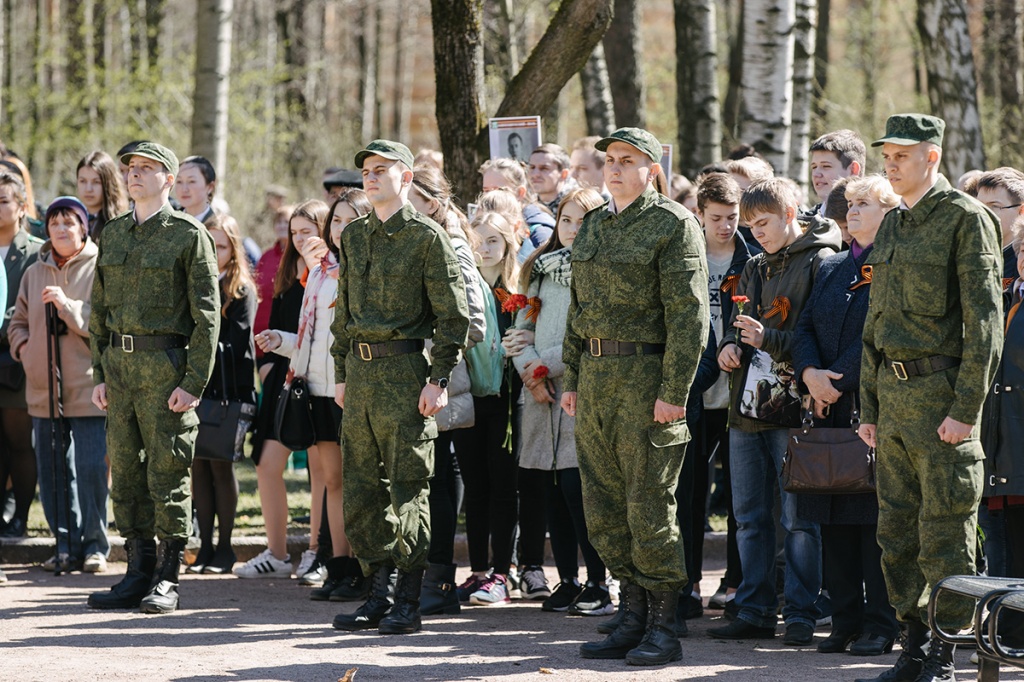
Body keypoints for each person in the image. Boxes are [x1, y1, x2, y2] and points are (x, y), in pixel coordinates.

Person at [856, 114, 1004, 682]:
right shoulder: (892, 225)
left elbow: (984, 324)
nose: (890, 165)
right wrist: (868, 410)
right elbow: (876, 322)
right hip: (892, 404)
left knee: (944, 534)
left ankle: (943, 653)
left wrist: (964, 410)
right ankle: (913, 645)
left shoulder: (965, 219)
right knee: (896, 533)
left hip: (941, 397)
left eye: (901, 155)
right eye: (886, 155)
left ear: (932, 158)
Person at [561, 127, 709, 666]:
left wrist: (674, 393)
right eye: (610, 160)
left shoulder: (671, 224)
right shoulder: (596, 225)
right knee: (603, 506)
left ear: (652, 168)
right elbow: (579, 311)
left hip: (647, 380)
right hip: (598, 380)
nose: (615, 168)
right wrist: (573, 377)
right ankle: (632, 614)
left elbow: (689, 319)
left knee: (650, 506)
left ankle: (664, 624)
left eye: (628, 160)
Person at [330, 139, 469, 635]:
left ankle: (409, 600)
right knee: (363, 491)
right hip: (362, 377)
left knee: (408, 488)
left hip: (406, 373)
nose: (370, 177)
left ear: (406, 178)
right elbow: (343, 314)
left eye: (382, 170)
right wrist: (342, 373)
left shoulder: (427, 238)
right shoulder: (355, 237)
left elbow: (455, 318)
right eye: (366, 170)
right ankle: (378, 593)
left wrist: (438, 379)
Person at [87, 142, 220, 614]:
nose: (135, 175)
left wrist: (194, 382)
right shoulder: (115, 233)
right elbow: (99, 309)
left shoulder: (188, 235)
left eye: (146, 168)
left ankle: (167, 577)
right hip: (120, 371)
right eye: (130, 168)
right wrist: (99, 372)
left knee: (168, 474)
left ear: (168, 178)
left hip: (166, 369)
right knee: (124, 474)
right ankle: (136, 570)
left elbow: (208, 316)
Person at [710, 177, 840, 645]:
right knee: (748, 516)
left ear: (790, 213)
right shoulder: (756, 265)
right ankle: (754, 608)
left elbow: (819, 339)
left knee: (799, 519)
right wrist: (730, 346)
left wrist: (770, 340)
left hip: (795, 410)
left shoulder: (821, 261)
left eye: (763, 223)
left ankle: (803, 611)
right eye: (750, 226)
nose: (756, 233)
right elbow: (734, 323)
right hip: (746, 409)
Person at [791, 175, 900, 656]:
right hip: (827, 411)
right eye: (849, 204)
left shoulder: (895, 263)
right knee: (831, 518)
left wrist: (835, 379)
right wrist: (810, 373)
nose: (852, 212)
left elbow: (882, 334)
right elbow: (806, 325)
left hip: (870, 409)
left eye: (864, 204)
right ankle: (844, 621)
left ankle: (880, 624)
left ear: (889, 212)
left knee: (872, 524)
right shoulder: (833, 265)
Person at [505, 188, 611, 617]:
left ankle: (598, 582)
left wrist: (544, 364)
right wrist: (530, 371)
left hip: (579, 392)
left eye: (584, 221)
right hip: (539, 396)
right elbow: (517, 331)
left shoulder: (602, 270)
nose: (573, 230)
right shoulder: (539, 269)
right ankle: (567, 579)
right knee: (549, 490)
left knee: (577, 490)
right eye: (566, 220)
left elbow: (588, 339)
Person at [258, 192, 369, 600]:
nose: (340, 229)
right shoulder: (320, 271)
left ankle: (367, 569)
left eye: (348, 221)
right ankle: (340, 567)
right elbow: (313, 337)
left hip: (354, 389)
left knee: (360, 482)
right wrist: (281, 341)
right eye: (335, 222)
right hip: (319, 390)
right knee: (333, 481)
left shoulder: (367, 269)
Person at [9, 197, 106, 572]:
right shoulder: (34, 272)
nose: (62, 230)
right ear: (46, 231)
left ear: (83, 228)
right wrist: (27, 348)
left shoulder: (100, 268)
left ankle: (95, 545)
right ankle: (65, 543)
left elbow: (105, 324)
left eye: (69, 223)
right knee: (51, 472)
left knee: (91, 469)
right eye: (54, 224)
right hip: (42, 389)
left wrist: (70, 308)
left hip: (89, 389)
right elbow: (17, 321)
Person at [408, 166, 486, 615]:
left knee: (439, 481)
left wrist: (421, 351)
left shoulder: (453, 246)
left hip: (440, 383)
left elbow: (471, 321)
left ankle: (438, 580)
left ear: (433, 205)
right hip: (417, 381)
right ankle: (423, 574)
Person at [236, 200, 328, 580]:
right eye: (295, 232)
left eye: (309, 231)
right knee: (266, 462)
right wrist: (268, 360)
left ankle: (316, 553)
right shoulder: (287, 267)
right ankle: (276, 553)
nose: (301, 238)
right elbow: (274, 315)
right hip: (284, 379)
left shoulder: (333, 272)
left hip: (321, 377)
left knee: (321, 467)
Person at [692, 172, 759, 616]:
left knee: (741, 496)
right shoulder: (686, 255)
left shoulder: (752, 258)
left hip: (739, 394)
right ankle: (684, 585)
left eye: (732, 217)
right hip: (694, 392)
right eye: (715, 217)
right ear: (699, 215)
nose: (724, 226)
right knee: (689, 493)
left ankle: (736, 586)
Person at [453, 211, 525, 606]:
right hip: (469, 396)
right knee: (475, 487)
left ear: (508, 244)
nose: (485, 248)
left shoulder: (517, 292)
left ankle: (502, 573)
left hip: (507, 402)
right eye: (477, 240)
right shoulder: (464, 287)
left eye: (493, 240)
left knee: (503, 488)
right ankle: (477, 570)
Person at [187, 213, 257, 575]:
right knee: (198, 466)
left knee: (221, 466)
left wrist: (196, 351)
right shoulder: (197, 281)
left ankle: (227, 547)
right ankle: (206, 546)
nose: (215, 251)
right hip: (197, 391)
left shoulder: (241, 289)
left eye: (222, 245)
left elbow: (237, 341)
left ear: (234, 248)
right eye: (209, 244)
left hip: (230, 393)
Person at [0, 170, 40, 539]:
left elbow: (31, 309)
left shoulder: (37, 252)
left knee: (19, 443)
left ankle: (22, 518)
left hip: (16, 362)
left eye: (2, 202)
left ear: (21, 206)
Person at [253, 204, 293, 359]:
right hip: (260, 330)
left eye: (286, 222)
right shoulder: (266, 256)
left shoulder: (297, 258)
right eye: (279, 222)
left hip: (284, 336)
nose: (282, 225)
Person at [975, 167, 1024, 280]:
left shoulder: (1020, 262)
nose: (982, 214)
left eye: (994, 206)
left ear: (1021, 211)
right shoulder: (971, 255)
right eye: (978, 206)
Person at [76, 150, 129, 241]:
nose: (88, 189)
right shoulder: (71, 220)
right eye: (83, 181)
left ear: (108, 183)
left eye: (96, 182)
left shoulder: (121, 223)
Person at [808, 130, 865, 212]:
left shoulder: (873, 220)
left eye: (826, 166)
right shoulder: (806, 220)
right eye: (814, 167)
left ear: (853, 170)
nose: (816, 174)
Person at [528, 144, 574, 214]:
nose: (535, 174)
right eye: (532, 167)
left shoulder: (575, 206)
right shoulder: (526, 206)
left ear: (564, 174)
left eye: (544, 168)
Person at [175, 156, 218, 223]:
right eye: (179, 181)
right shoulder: (167, 223)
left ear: (210, 187)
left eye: (192, 181)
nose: (184, 189)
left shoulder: (218, 228)